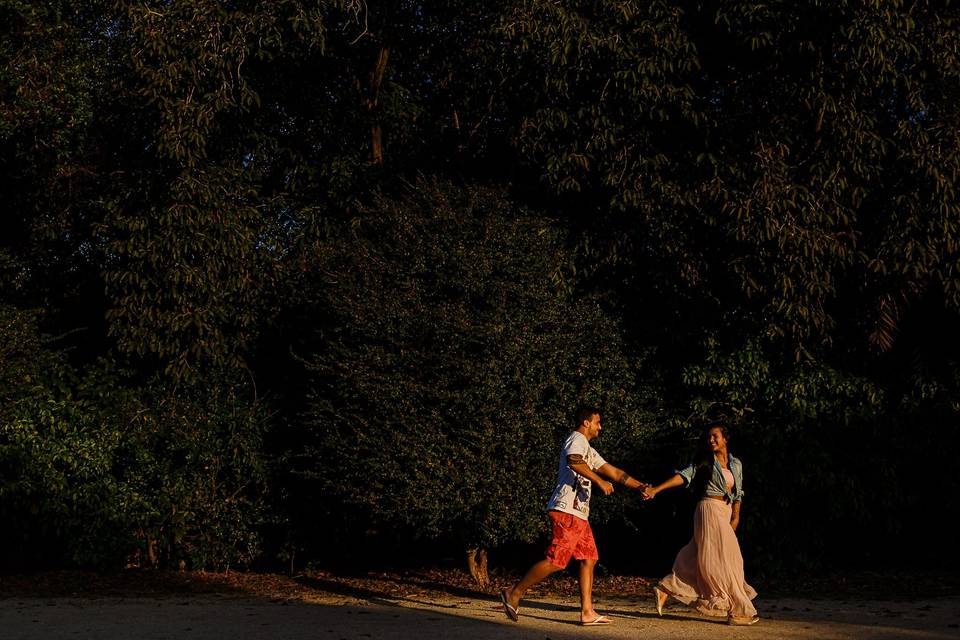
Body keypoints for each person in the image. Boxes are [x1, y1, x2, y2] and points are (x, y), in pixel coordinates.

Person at [501, 406, 648, 626]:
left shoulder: (588, 448)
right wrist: (598, 481)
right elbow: (573, 460)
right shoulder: (576, 439)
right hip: (566, 510)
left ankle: (587, 612)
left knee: (589, 559)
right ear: (586, 422)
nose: (600, 426)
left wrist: (641, 487)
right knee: (557, 561)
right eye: (598, 422)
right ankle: (514, 592)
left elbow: (614, 472)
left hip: (579, 514)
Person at [642, 423, 759, 626]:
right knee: (727, 560)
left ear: (725, 438)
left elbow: (738, 492)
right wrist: (656, 489)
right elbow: (683, 476)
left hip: (726, 511)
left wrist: (736, 517)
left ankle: (665, 588)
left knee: (698, 553)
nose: (711, 440)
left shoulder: (736, 464)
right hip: (709, 510)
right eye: (709, 437)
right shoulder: (705, 461)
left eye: (715, 436)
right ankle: (737, 610)